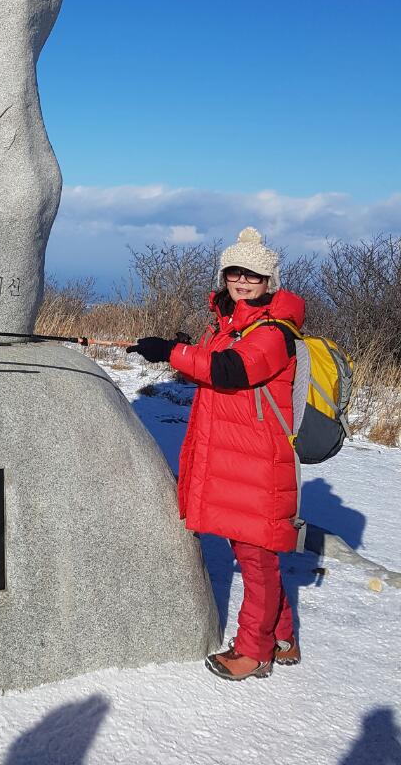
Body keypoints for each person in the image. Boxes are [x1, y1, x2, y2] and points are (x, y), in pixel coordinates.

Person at [128, 227, 304, 682]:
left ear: (269, 280)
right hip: (233, 456)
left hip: (258, 462)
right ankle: (283, 637)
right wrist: (175, 348)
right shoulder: (228, 323)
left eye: (253, 275)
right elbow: (209, 364)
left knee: (256, 558)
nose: (242, 281)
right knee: (254, 552)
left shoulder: (275, 331)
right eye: (234, 272)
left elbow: (231, 369)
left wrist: (174, 352)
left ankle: (254, 652)